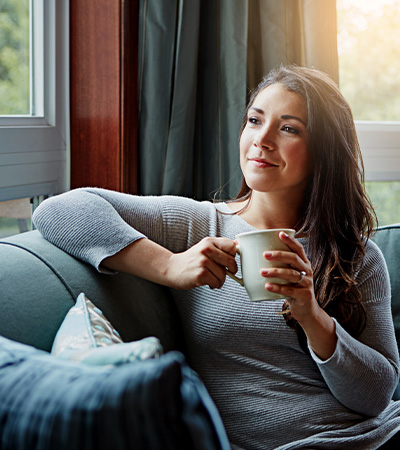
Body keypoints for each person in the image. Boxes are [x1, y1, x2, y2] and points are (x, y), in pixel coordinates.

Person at [33, 65, 400, 449]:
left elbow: (376, 397)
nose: (262, 140)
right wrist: (170, 266)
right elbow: (60, 210)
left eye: (288, 128)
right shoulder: (200, 224)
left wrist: (311, 316)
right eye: (255, 121)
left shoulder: (356, 256)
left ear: (323, 149)